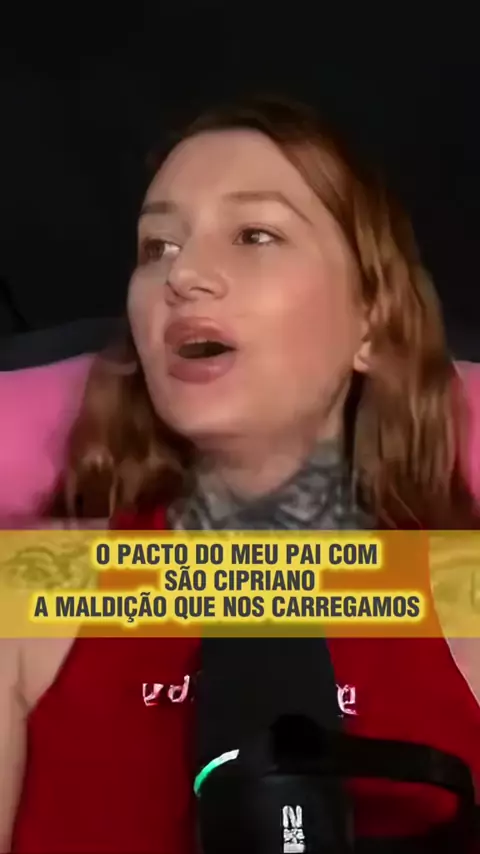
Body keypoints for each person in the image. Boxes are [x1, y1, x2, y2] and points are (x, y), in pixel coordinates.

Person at [1, 96, 479, 854]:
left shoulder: (467, 603)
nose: (183, 274)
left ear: (372, 320)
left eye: (256, 234)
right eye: (157, 246)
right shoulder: (26, 595)